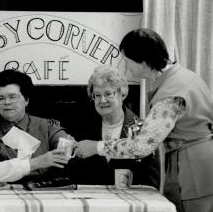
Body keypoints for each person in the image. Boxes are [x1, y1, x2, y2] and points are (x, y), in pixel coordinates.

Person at [74, 28, 213, 212]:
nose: (126, 66)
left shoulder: (171, 93)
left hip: (192, 170)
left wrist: (97, 147)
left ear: (143, 61)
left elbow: (142, 147)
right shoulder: (186, 77)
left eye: (127, 60)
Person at [69, 66, 160, 188]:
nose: (102, 100)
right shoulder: (82, 129)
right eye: (97, 95)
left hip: (131, 203)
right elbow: (74, 176)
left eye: (108, 94)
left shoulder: (142, 130)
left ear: (122, 94)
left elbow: (151, 182)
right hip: (91, 202)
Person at [0, 69, 74, 183]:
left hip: (44, 192)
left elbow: (65, 144)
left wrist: (69, 145)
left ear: (26, 100)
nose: (7, 102)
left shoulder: (46, 126)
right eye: (1, 98)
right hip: (2, 194)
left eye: (12, 97)